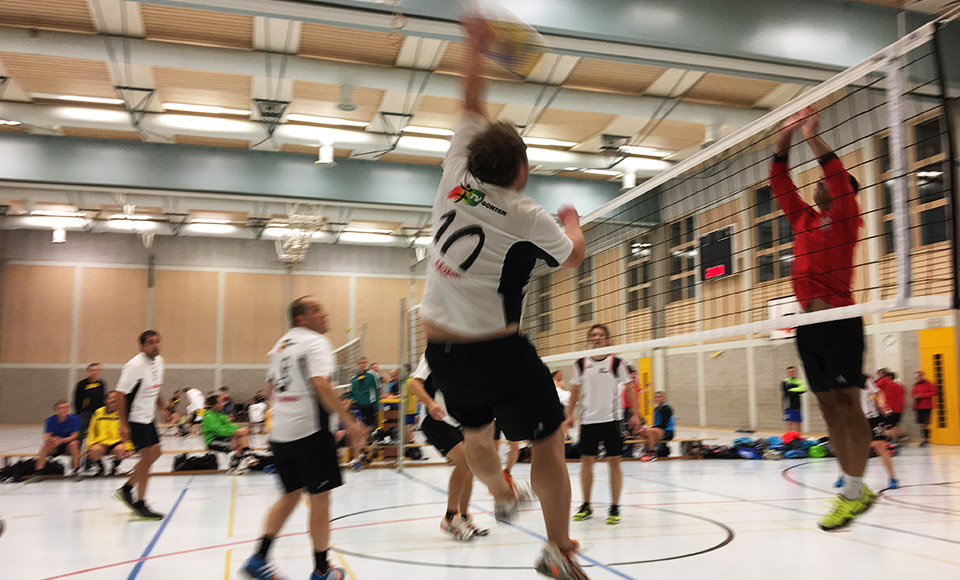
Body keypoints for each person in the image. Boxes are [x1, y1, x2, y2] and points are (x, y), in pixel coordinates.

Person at [418, 14, 588, 579]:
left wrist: (473, 42)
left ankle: (500, 490)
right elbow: (572, 257)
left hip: (443, 352)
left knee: (475, 435)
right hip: (498, 351)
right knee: (548, 441)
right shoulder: (525, 213)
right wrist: (573, 221)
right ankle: (557, 550)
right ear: (520, 171)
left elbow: (470, 103)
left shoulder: (455, 174)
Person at [771, 105, 874, 531]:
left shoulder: (847, 216)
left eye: (826, 182)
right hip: (807, 326)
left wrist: (811, 135)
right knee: (828, 407)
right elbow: (779, 182)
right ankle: (853, 486)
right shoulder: (804, 219)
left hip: (840, 320)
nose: (818, 184)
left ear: (844, 191)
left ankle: (853, 490)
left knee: (848, 403)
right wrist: (786, 135)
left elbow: (834, 172)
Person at [242, 296, 367, 580]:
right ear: (301, 318)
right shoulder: (316, 342)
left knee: (291, 494)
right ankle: (322, 571)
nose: (324, 313)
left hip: (281, 434)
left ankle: (259, 558)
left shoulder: (280, 346)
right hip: (311, 433)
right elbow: (320, 383)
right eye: (316, 310)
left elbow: (270, 389)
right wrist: (349, 421)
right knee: (320, 500)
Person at [563, 324, 639, 526]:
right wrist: (569, 415)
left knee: (614, 462)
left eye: (601, 335)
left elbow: (630, 389)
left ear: (607, 339)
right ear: (589, 340)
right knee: (586, 462)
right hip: (588, 421)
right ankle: (586, 505)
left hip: (612, 420)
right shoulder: (580, 364)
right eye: (594, 335)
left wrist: (635, 414)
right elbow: (575, 391)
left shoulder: (617, 363)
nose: (597, 337)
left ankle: (614, 507)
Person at [408, 354, 489, 540]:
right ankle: (450, 518)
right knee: (465, 462)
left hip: (455, 421)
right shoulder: (433, 354)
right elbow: (414, 383)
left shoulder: (465, 358)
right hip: (435, 420)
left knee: (470, 467)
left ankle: (464, 517)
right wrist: (430, 403)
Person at [114, 330, 171, 521]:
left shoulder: (159, 361)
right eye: (150, 342)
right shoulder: (134, 366)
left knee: (156, 453)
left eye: (157, 341)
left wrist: (163, 408)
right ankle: (140, 504)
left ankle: (126, 489)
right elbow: (120, 394)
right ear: (142, 346)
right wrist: (123, 424)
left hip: (148, 417)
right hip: (134, 417)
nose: (155, 345)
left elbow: (155, 388)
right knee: (147, 457)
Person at [836, 376, 898, 490]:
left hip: (871, 418)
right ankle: (843, 475)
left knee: (880, 446)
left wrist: (882, 404)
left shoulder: (864, 379)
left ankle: (892, 478)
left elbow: (879, 392)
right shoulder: (841, 380)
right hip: (854, 419)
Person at [202, 395, 255, 472]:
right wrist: (236, 432)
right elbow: (219, 431)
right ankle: (245, 455)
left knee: (241, 435)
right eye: (220, 403)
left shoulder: (220, 415)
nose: (223, 404)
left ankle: (237, 462)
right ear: (214, 405)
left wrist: (240, 429)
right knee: (239, 440)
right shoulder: (209, 416)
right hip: (213, 441)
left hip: (223, 437)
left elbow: (229, 426)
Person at [86, 391, 133, 477]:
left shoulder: (122, 414)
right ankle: (101, 468)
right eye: (111, 398)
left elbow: (127, 432)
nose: (113, 400)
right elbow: (91, 430)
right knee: (94, 451)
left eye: (116, 398)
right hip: (101, 442)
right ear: (106, 400)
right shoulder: (98, 412)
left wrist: (129, 447)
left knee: (121, 449)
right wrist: (90, 446)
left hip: (116, 442)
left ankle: (114, 467)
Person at [34, 400, 82, 479]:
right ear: (56, 410)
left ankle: (75, 471)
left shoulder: (75, 418)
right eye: (61, 408)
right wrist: (53, 440)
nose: (64, 410)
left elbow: (74, 436)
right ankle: (39, 472)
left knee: (74, 444)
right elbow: (47, 436)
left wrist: (61, 440)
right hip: (55, 445)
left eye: (66, 407)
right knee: (46, 445)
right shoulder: (50, 420)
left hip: (67, 444)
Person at [73, 363, 106, 443]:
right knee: (80, 429)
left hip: (99, 412)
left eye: (97, 370)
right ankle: (76, 446)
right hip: (85, 412)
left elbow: (103, 398)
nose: (95, 372)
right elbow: (77, 400)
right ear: (88, 371)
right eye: (92, 370)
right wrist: (78, 413)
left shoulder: (101, 384)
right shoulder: (82, 384)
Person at [637, 392, 674, 461]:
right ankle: (647, 450)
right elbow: (656, 424)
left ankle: (652, 453)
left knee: (649, 432)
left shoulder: (666, 408)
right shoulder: (656, 409)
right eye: (656, 397)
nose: (658, 399)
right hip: (659, 430)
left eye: (660, 397)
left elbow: (663, 424)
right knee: (643, 432)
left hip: (667, 431)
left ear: (663, 398)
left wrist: (651, 428)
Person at [349, 356, 380, 430]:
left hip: (370, 405)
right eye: (360, 363)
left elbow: (377, 389)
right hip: (358, 405)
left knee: (370, 426)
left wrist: (375, 403)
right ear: (357, 364)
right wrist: (352, 400)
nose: (362, 365)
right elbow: (352, 392)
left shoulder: (372, 376)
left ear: (367, 363)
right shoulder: (353, 379)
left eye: (364, 363)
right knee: (359, 426)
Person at [875, 369, 905, 441]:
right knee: (893, 425)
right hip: (899, 409)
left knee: (886, 426)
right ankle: (896, 441)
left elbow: (874, 387)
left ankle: (890, 442)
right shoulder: (899, 385)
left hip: (888, 409)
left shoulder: (885, 384)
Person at [913, 370, 937, 447]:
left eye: (917, 377)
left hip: (926, 406)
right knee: (921, 423)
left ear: (921, 376)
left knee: (926, 424)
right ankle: (924, 439)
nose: (916, 378)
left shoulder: (928, 384)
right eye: (915, 377)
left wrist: (922, 395)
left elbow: (933, 393)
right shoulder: (916, 385)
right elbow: (914, 393)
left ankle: (927, 440)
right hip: (919, 406)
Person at [781, 366, 807, 433]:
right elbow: (788, 391)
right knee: (789, 422)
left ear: (795, 372)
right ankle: (789, 437)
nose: (791, 373)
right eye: (789, 372)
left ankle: (798, 437)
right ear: (787, 373)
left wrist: (793, 390)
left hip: (797, 405)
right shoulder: (785, 382)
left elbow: (804, 389)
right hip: (788, 406)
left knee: (798, 422)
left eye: (793, 371)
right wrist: (797, 389)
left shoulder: (799, 382)